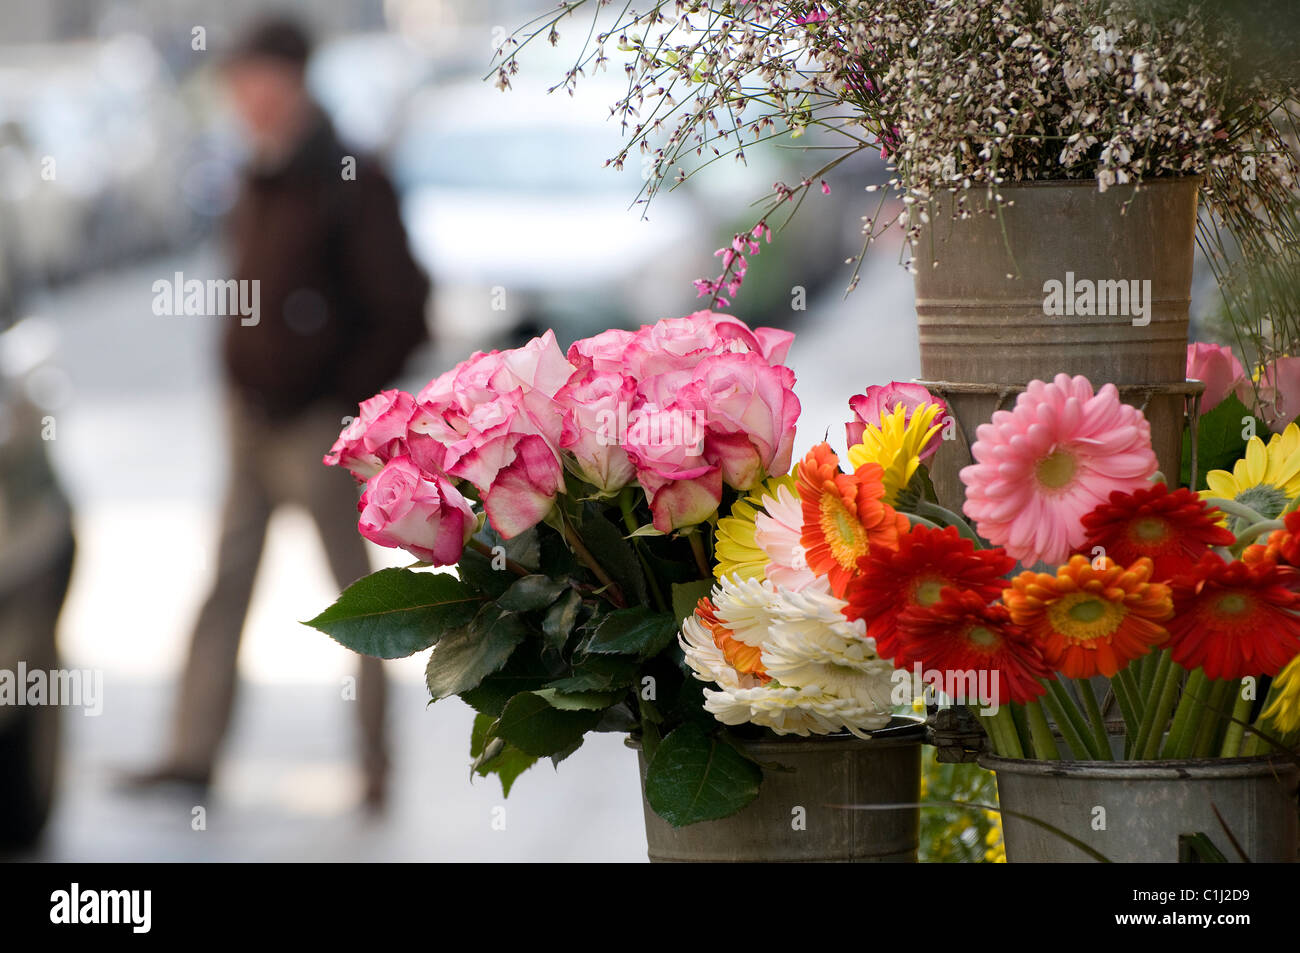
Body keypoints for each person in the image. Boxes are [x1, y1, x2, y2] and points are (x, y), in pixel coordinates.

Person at [129, 17, 429, 811]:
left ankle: (374, 762)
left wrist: (344, 400)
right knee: (224, 583)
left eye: (258, 83)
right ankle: (191, 750)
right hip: (249, 421)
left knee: (355, 603)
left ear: (292, 80)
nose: (246, 100)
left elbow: (403, 307)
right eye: (236, 86)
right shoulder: (254, 170)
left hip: (316, 427)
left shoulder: (347, 175)